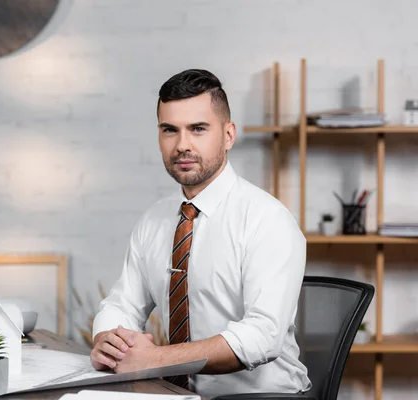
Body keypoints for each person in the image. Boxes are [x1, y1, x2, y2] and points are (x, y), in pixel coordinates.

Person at [90, 69, 311, 398]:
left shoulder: (268, 220)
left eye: (198, 129)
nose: (182, 145)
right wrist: (107, 338)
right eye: (170, 130)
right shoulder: (155, 220)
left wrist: (157, 360)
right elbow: (124, 304)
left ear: (228, 135)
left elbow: (264, 336)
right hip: (178, 395)